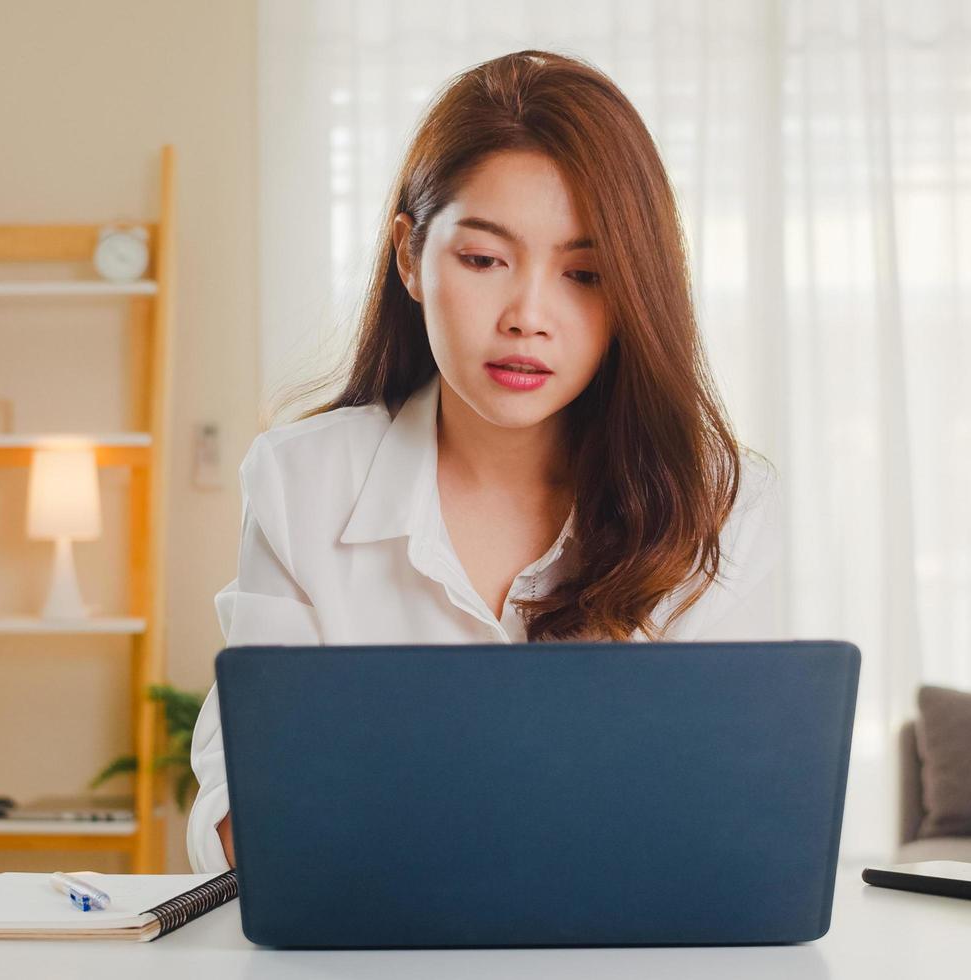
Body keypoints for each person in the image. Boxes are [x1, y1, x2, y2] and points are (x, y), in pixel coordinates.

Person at [187, 50, 784, 873]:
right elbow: (242, 825)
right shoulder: (302, 482)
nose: (529, 317)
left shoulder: (719, 501)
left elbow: (727, 821)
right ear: (410, 258)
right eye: (483, 260)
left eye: (585, 274)